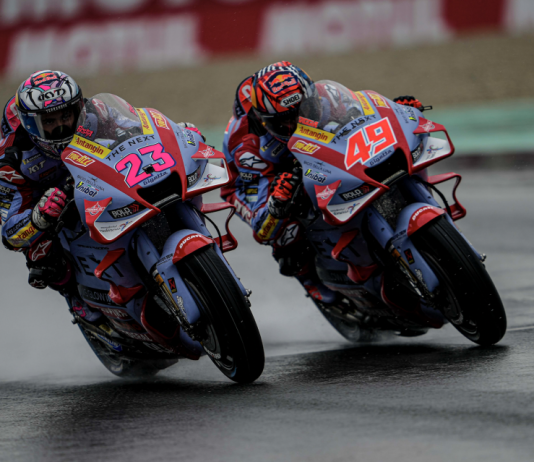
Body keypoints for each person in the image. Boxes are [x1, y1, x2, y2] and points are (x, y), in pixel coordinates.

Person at [0, 70, 202, 323]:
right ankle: (77, 301)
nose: (61, 126)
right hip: (49, 198)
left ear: (78, 107)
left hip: (96, 175)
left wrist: (177, 136)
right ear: (32, 125)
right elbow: (10, 235)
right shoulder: (12, 160)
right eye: (49, 121)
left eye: (66, 116)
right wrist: (38, 217)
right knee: (42, 256)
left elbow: (136, 128)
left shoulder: (96, 113)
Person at [221, 61, 425, 306]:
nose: (296, 122)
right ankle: (309, 280)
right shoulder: (248, 147)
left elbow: (363, 116)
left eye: (303, 110)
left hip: (311, 153)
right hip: (252, 180)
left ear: (312, 97)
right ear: (263, 120)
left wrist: (398, 112)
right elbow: (262, 227)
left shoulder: (326, 96)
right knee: (284, 229)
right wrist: (277, 201)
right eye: (285, 120)